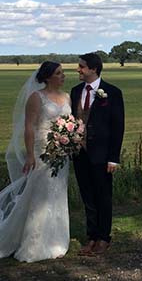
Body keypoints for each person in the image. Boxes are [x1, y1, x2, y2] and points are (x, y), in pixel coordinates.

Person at [0, 61, 71, 262]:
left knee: (58, 193)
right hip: (42, 153)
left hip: (62, 154)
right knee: (40, 194)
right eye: (59, 73)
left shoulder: (66, 97)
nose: (63, 76)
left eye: (63, 73)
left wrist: (72, 138)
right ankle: (35, 242)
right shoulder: (36, 97)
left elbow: (70, 123)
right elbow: (29, 127)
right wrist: (30, 155)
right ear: (48, 77)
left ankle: (56, 239)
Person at [71, 53, 124, 256]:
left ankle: (104, 238)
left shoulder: (112, 92)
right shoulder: (76, 91)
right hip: (80, 154)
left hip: (102, 156)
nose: (78, 70)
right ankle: (91, 237)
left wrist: (113, 158)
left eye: (81, 66)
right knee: (88, 197)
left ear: (93, 69)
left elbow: (117, 127)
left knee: (103, 197)